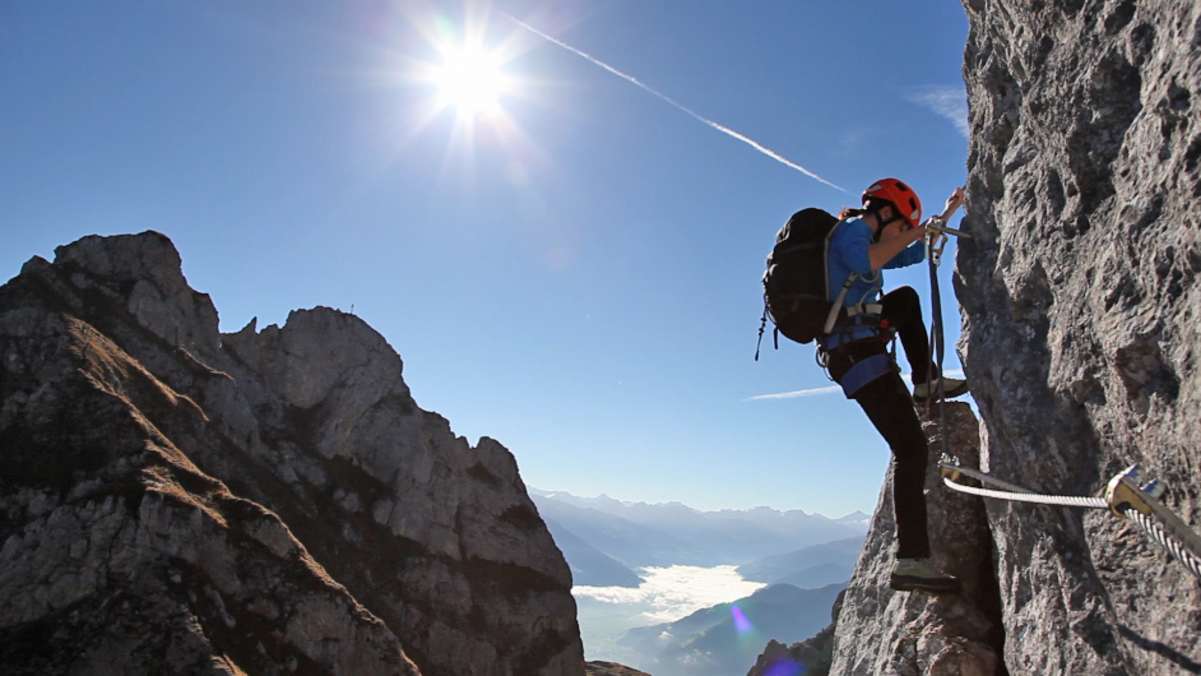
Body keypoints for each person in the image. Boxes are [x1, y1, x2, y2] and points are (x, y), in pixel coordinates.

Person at [821, 178, 968, 593]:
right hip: (855, 356)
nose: (904, 235)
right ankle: (912, 562)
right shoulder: (850, 233)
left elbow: (910, 254)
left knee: (904, 299)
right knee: (910, 448)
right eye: (901, 226)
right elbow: (869, 262)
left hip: (862, 346)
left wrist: (948, 213)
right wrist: (917, 231)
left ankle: (926, 382)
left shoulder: (870, 236)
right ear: (884, 214)